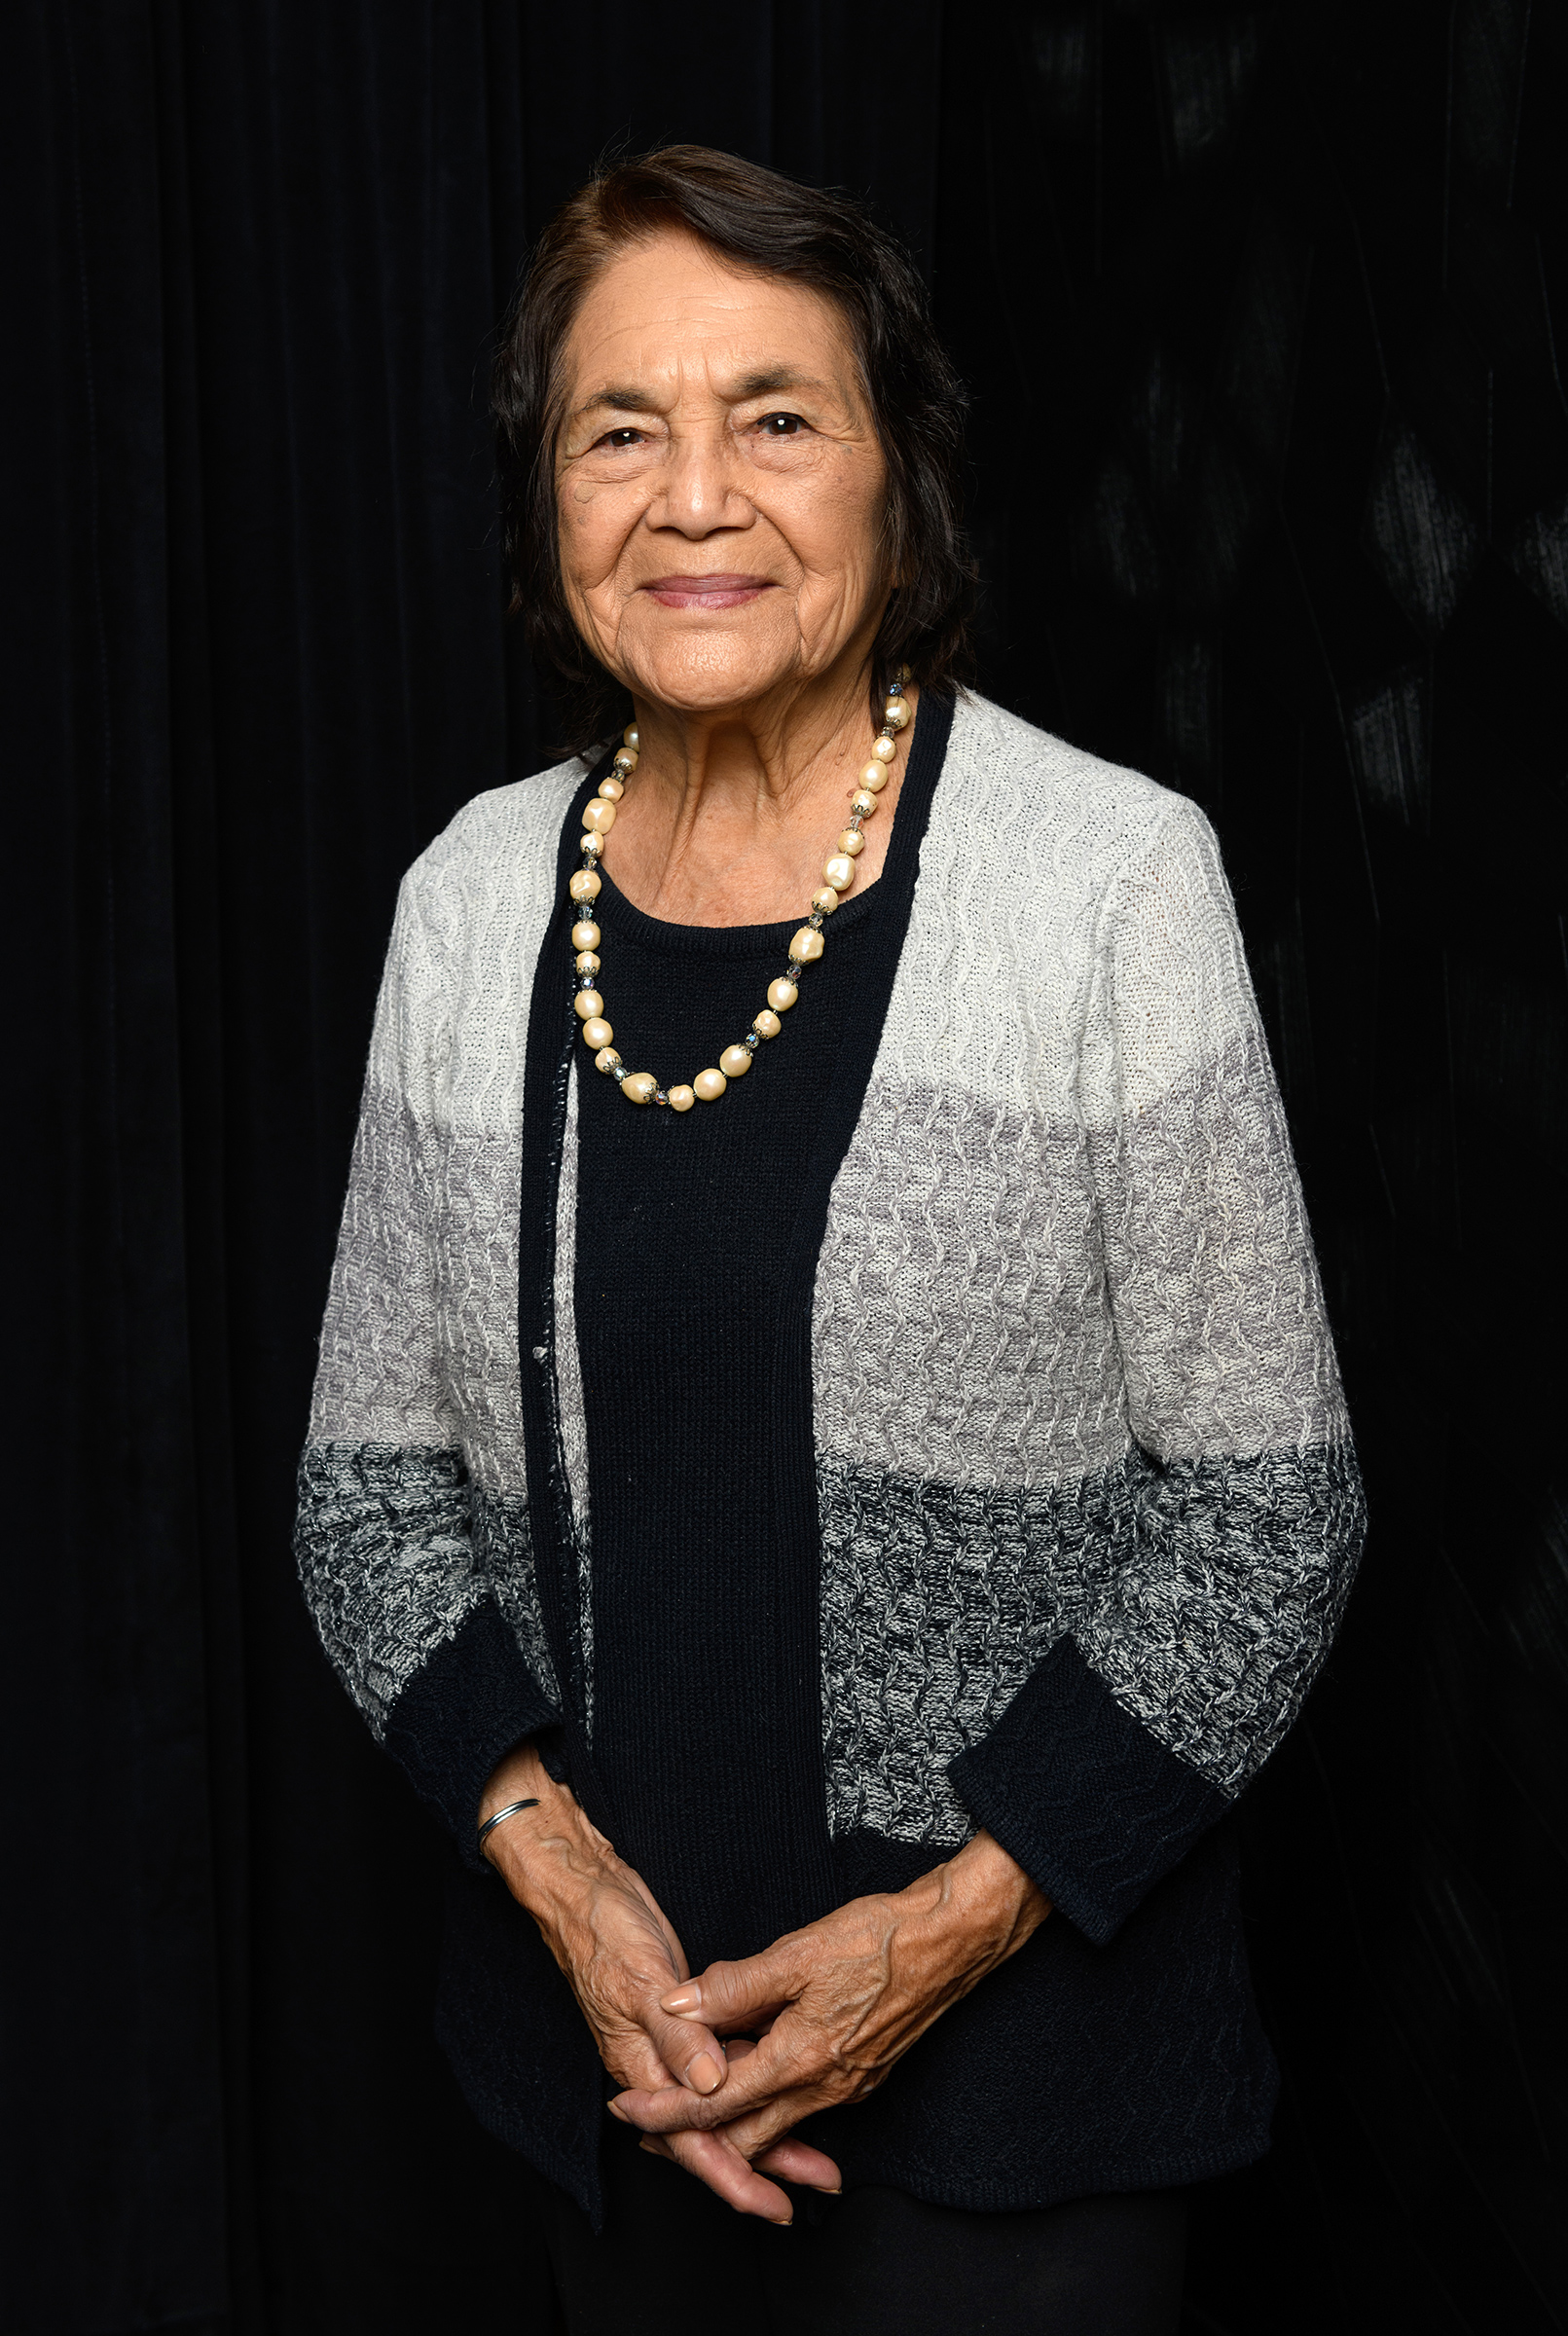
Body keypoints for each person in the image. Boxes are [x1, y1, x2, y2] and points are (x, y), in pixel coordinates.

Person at [295, 146, 1365, 2335]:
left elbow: (1268, 1510)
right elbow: (364, 1485)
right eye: (621, 430)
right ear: (547, 501)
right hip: (605, 2081)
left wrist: (946, 1928)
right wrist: (562, 1881)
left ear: (899, 477)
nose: (697, 498)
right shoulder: (472, 901)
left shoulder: (1105, 881)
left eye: (776, 415)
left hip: (1021, 2130)